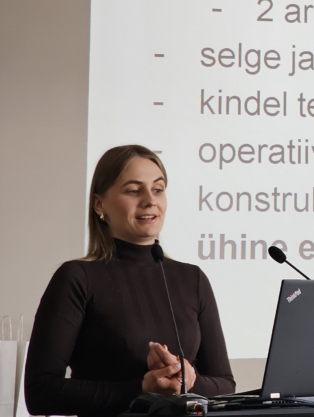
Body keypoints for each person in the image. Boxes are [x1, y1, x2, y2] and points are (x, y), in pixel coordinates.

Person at [25, 145, 235, 417]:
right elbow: (40, 393)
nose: (150, 200)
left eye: (158, 189)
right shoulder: (77, 277)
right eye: (134, 190)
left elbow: (225, 385)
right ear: (99, 204)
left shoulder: (192, 279)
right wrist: (143, 390)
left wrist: (188, 380)